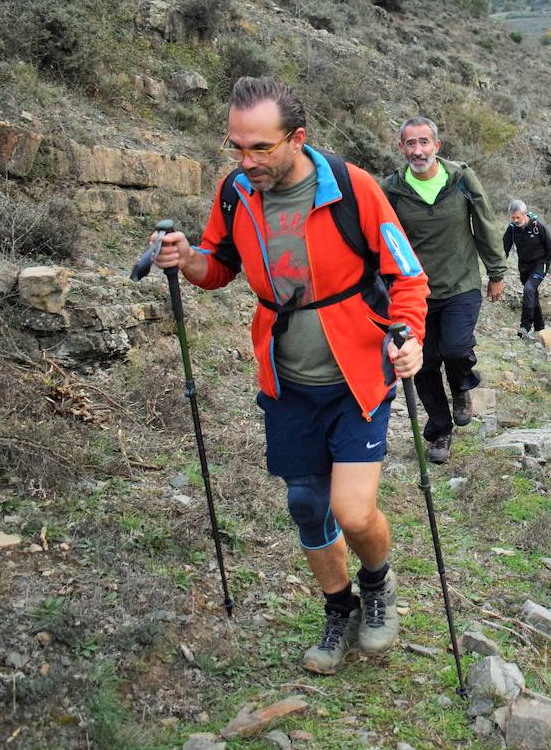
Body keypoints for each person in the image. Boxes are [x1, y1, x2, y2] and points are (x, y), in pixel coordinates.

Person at [152, 77, 428, 675]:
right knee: (307, 504)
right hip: (286, 380)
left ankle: (378, 586)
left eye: (259, 148)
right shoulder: (235, 193)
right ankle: (339, 608)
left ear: (297, 138)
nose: (245, 161)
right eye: (236, 147)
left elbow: (406, 276)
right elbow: (218, 266)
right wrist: (185, 258)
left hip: (358, 376)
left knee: (353, 513)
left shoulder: (351, 188)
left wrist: (412, 340)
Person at [382, 116, 507, 465]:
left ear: (437, 146)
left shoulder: (461, 179)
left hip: (461, 283)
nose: (417, 150)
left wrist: (496, 271)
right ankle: (440, 430)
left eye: (424, 142)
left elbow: (484, 224)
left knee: (455, 347)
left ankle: (462, 385)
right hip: (414, 291)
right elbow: (377, 237)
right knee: (422, 365)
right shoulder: (391, 190)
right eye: (410, 143)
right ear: (402, 148)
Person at [502, 200, 551, 338]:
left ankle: (525, 326)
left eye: (518, 217)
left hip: (540, 264)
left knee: (528, 289)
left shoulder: (538, 226)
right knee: (531, 293)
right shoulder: (512, 229)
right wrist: (498, 268)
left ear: (525, 214)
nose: (515, 220)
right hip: (524, 266)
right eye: (513, 218)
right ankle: (539, 327)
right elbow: (504, 249)